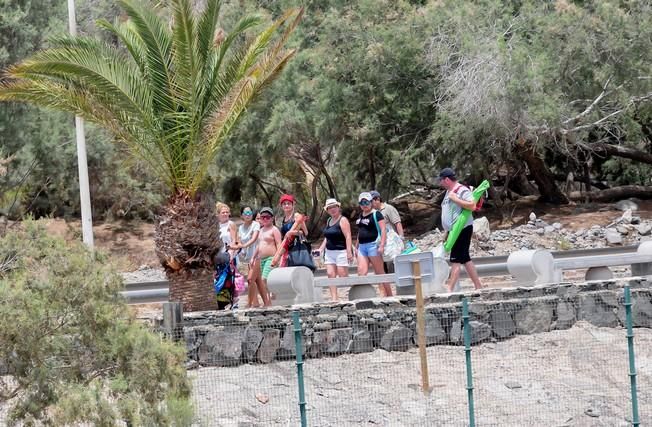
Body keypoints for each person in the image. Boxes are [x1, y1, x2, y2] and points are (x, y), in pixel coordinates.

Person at [437, 167, 484, 292]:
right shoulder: (449, 192)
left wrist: (456, 199)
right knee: (465, 259)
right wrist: (447, 231)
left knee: (455, 260)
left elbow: (472, 205)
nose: (440, 183)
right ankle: (478, 286)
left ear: (447, 179)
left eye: (441, 180)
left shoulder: (461, 190)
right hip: (453, 230)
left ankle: (450, 289)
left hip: (462, 229)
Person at [355, 192, 392, 297]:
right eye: (362, 202)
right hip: (362, 246)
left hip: (373, 245)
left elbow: (383, 229)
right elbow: (360, 231)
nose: (364, 204)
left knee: (380, 272)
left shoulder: (376, 214)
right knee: (361, 272)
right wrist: (356, 246)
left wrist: (382, 245)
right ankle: (363, 296)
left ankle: (389, 295)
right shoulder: (360, 215)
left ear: (371, 202)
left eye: (366, 202)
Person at [317, 198, 353, 301]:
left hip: (341, 251)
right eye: (330, 208)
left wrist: (349, 251)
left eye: (334, 207)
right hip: (329, 252)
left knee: (343, 276)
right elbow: (327, 237)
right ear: (327, 210)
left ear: (338, 207)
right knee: (330, 274)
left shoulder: (343, 220)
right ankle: (334, 298)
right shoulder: (329, 220)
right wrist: (320, 249)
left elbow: (348, 236)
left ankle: (353, 290)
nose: (332, 209)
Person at [232, 206, 265, 307]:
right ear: (242, 215)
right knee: (258, 282)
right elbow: (239, 241)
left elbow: (254, 239)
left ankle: (250, 304)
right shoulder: (241, 228)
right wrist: (234, 247)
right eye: (245, 213)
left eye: (250, 213)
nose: (248, 215)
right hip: (246, 259)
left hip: (256, 257)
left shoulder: (255, 224)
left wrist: (244, 245)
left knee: (250, 280)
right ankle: (265, 302)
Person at [252, 206, 281, 306]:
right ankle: (268, 302)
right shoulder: (261, 230)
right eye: (262, 217)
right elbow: (259, 245)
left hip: (271, 258)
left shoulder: (274, 230)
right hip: (261, 259)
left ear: (272, 218)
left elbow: (279, 244)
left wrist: (278, 258)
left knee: (264, 279)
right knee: (263, 282)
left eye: (267, 217)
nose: (265, 219)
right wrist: (253, 257)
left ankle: (270, 301)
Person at [272, 193, 309, 267]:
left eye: (288, 203)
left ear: (292, 205)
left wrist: (293, 232)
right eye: (284, 204)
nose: (286, 205)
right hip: (286, 248)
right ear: (281, 206)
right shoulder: (283, 219)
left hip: (297, 247)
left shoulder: (297, 216)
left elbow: (306, 233)